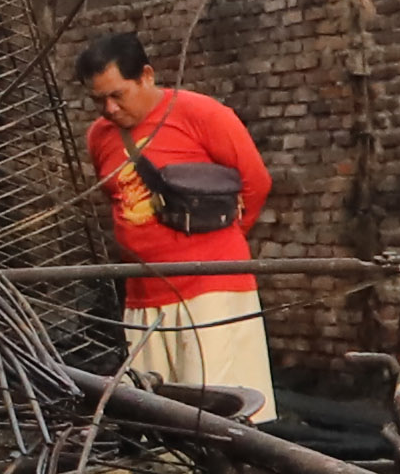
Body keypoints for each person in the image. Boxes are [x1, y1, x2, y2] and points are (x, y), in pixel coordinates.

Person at [79, 31, 275, 410]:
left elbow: (255, 182)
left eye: (118, 95)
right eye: (98, 100)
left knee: (217, 410)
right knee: (155, 411)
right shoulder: (99, 136)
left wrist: (220, 247)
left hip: (211, 289)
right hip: (143, 293)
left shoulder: (201, 115)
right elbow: (116, 200)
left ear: (147, 76)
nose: (109, 109)